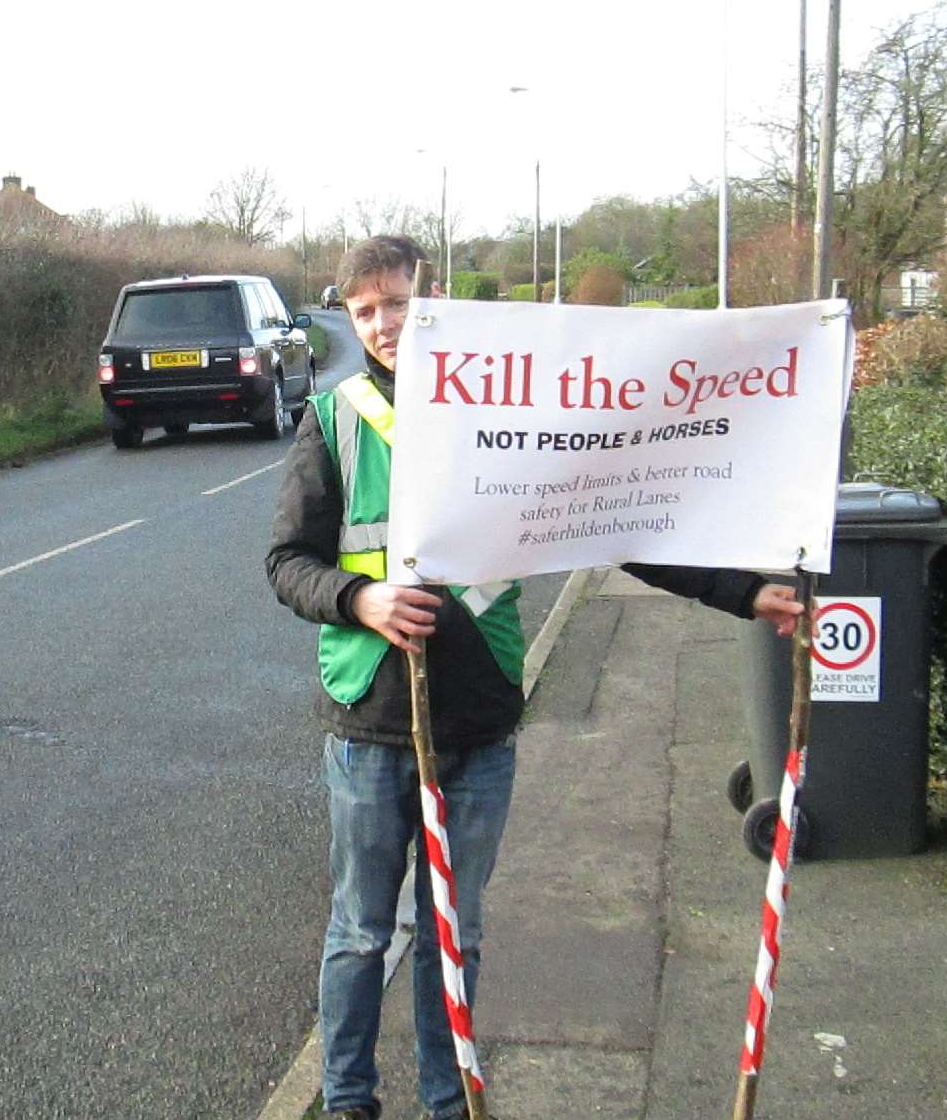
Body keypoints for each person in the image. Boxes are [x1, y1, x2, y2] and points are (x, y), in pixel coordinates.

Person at [265, 235, 803, 1120]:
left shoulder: (502, 406)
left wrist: (743, 591)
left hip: (477, 726)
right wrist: (359, 599)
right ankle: (348, 1099)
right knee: (361, 932)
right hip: (369, 719)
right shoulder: (335, 418)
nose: (383, 324)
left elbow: (614, 525)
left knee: (454, 935)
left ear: (429, 297)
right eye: (364, 311)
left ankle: (449, 1099)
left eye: (396, 302)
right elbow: (288, 562)